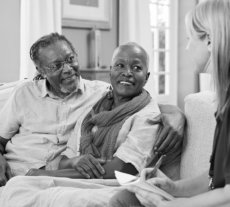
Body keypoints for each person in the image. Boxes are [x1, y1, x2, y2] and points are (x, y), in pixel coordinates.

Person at [0, 33, 185, 186]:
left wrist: (177, 115)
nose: (67, 69)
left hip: (51, 178)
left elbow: (140, 104)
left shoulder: (101, 94)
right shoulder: (23, 93)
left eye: (70, 59)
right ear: (40, 70)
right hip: (11, 170)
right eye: (56, 66)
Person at [109, 0, 230, 206]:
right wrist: (173, 187)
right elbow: (214, 179)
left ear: (209, 41)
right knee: (125, 198)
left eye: (189, 38)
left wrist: (173, 205)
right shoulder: (223, 105)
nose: (187, 47)